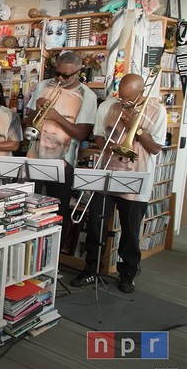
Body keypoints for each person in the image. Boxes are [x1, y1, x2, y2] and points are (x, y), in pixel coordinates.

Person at [70, 73, 167, 293]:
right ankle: (91, 268)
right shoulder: (109, 105)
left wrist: (137, 127)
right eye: (121, 97)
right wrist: (109, 146)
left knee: (130, 230)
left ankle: (128, 273)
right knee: (96, 224)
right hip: (107, 174)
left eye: (129, 100)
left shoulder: (156, 110)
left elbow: (155, 148)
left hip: (137, 177)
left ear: (141, 93)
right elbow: (98, 135)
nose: (123, 103)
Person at [25, 51, 96, 240]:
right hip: (34, 156)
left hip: (63, 163)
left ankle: (54, 255)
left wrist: (57, 117)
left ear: (78, 72)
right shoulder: (43, 86)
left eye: (66, 75)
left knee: (58, 210)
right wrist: (37, 109)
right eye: (57, 73)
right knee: (29, 207)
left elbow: (81, 133)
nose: (60, 78)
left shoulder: (87, 95)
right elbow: (29, 121)